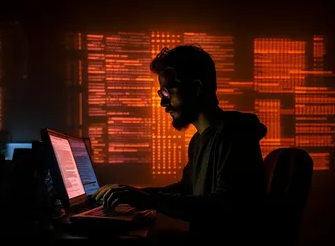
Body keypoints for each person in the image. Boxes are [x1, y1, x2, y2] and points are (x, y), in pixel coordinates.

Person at [92, 44, 267, 235]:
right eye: (161, 94)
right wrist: (135, 194)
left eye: (168, 92)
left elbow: (224, 206)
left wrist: (146, 199)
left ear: (196, 88)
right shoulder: (199, 140)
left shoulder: (235, 135)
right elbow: (186, 189)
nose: (163, 103)